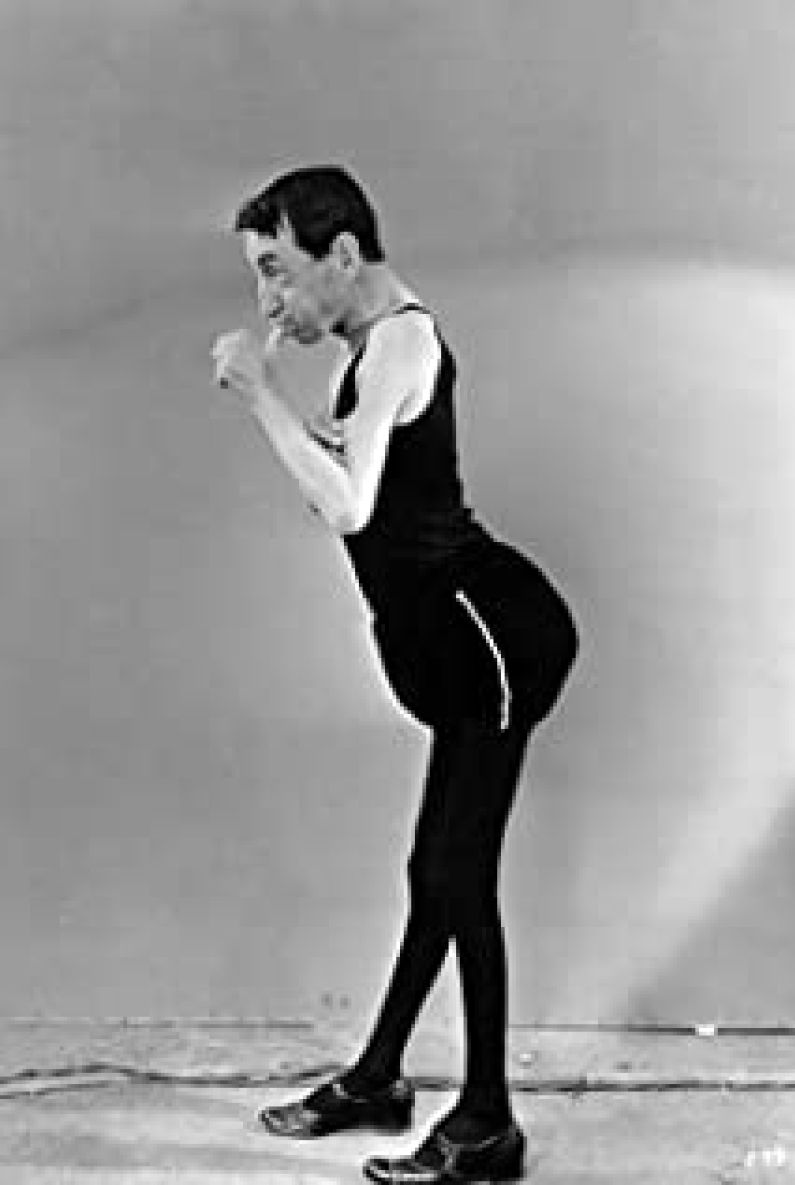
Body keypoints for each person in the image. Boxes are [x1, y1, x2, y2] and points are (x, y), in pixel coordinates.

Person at [211, 165, 578, 1184]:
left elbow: (349, 507)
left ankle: (488, 1123)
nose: (270, 300)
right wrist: (298, 414)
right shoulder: (369, 352)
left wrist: (260, 396)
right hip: (448, 640)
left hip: (491, 636)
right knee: (431, 872)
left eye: (277, 270)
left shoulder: (403, 343)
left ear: (342, 254)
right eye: (259, 277)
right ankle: (378, 1075)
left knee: (460, 877)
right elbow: (355, 485)